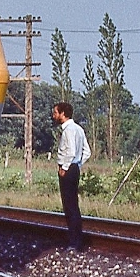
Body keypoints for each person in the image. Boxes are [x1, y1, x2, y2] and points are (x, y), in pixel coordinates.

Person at [53, 102, 91, 251]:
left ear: (63, 113)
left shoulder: (69, 130)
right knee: (73, 205)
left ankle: (74, 243)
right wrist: (78, 165)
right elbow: (87, 151)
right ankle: (76, 240)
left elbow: (71, 151)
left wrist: (65, 168)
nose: (54, 115)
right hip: (74, 169)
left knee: (69, 207)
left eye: (55, 112)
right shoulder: (79, 129)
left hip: (68, 170)